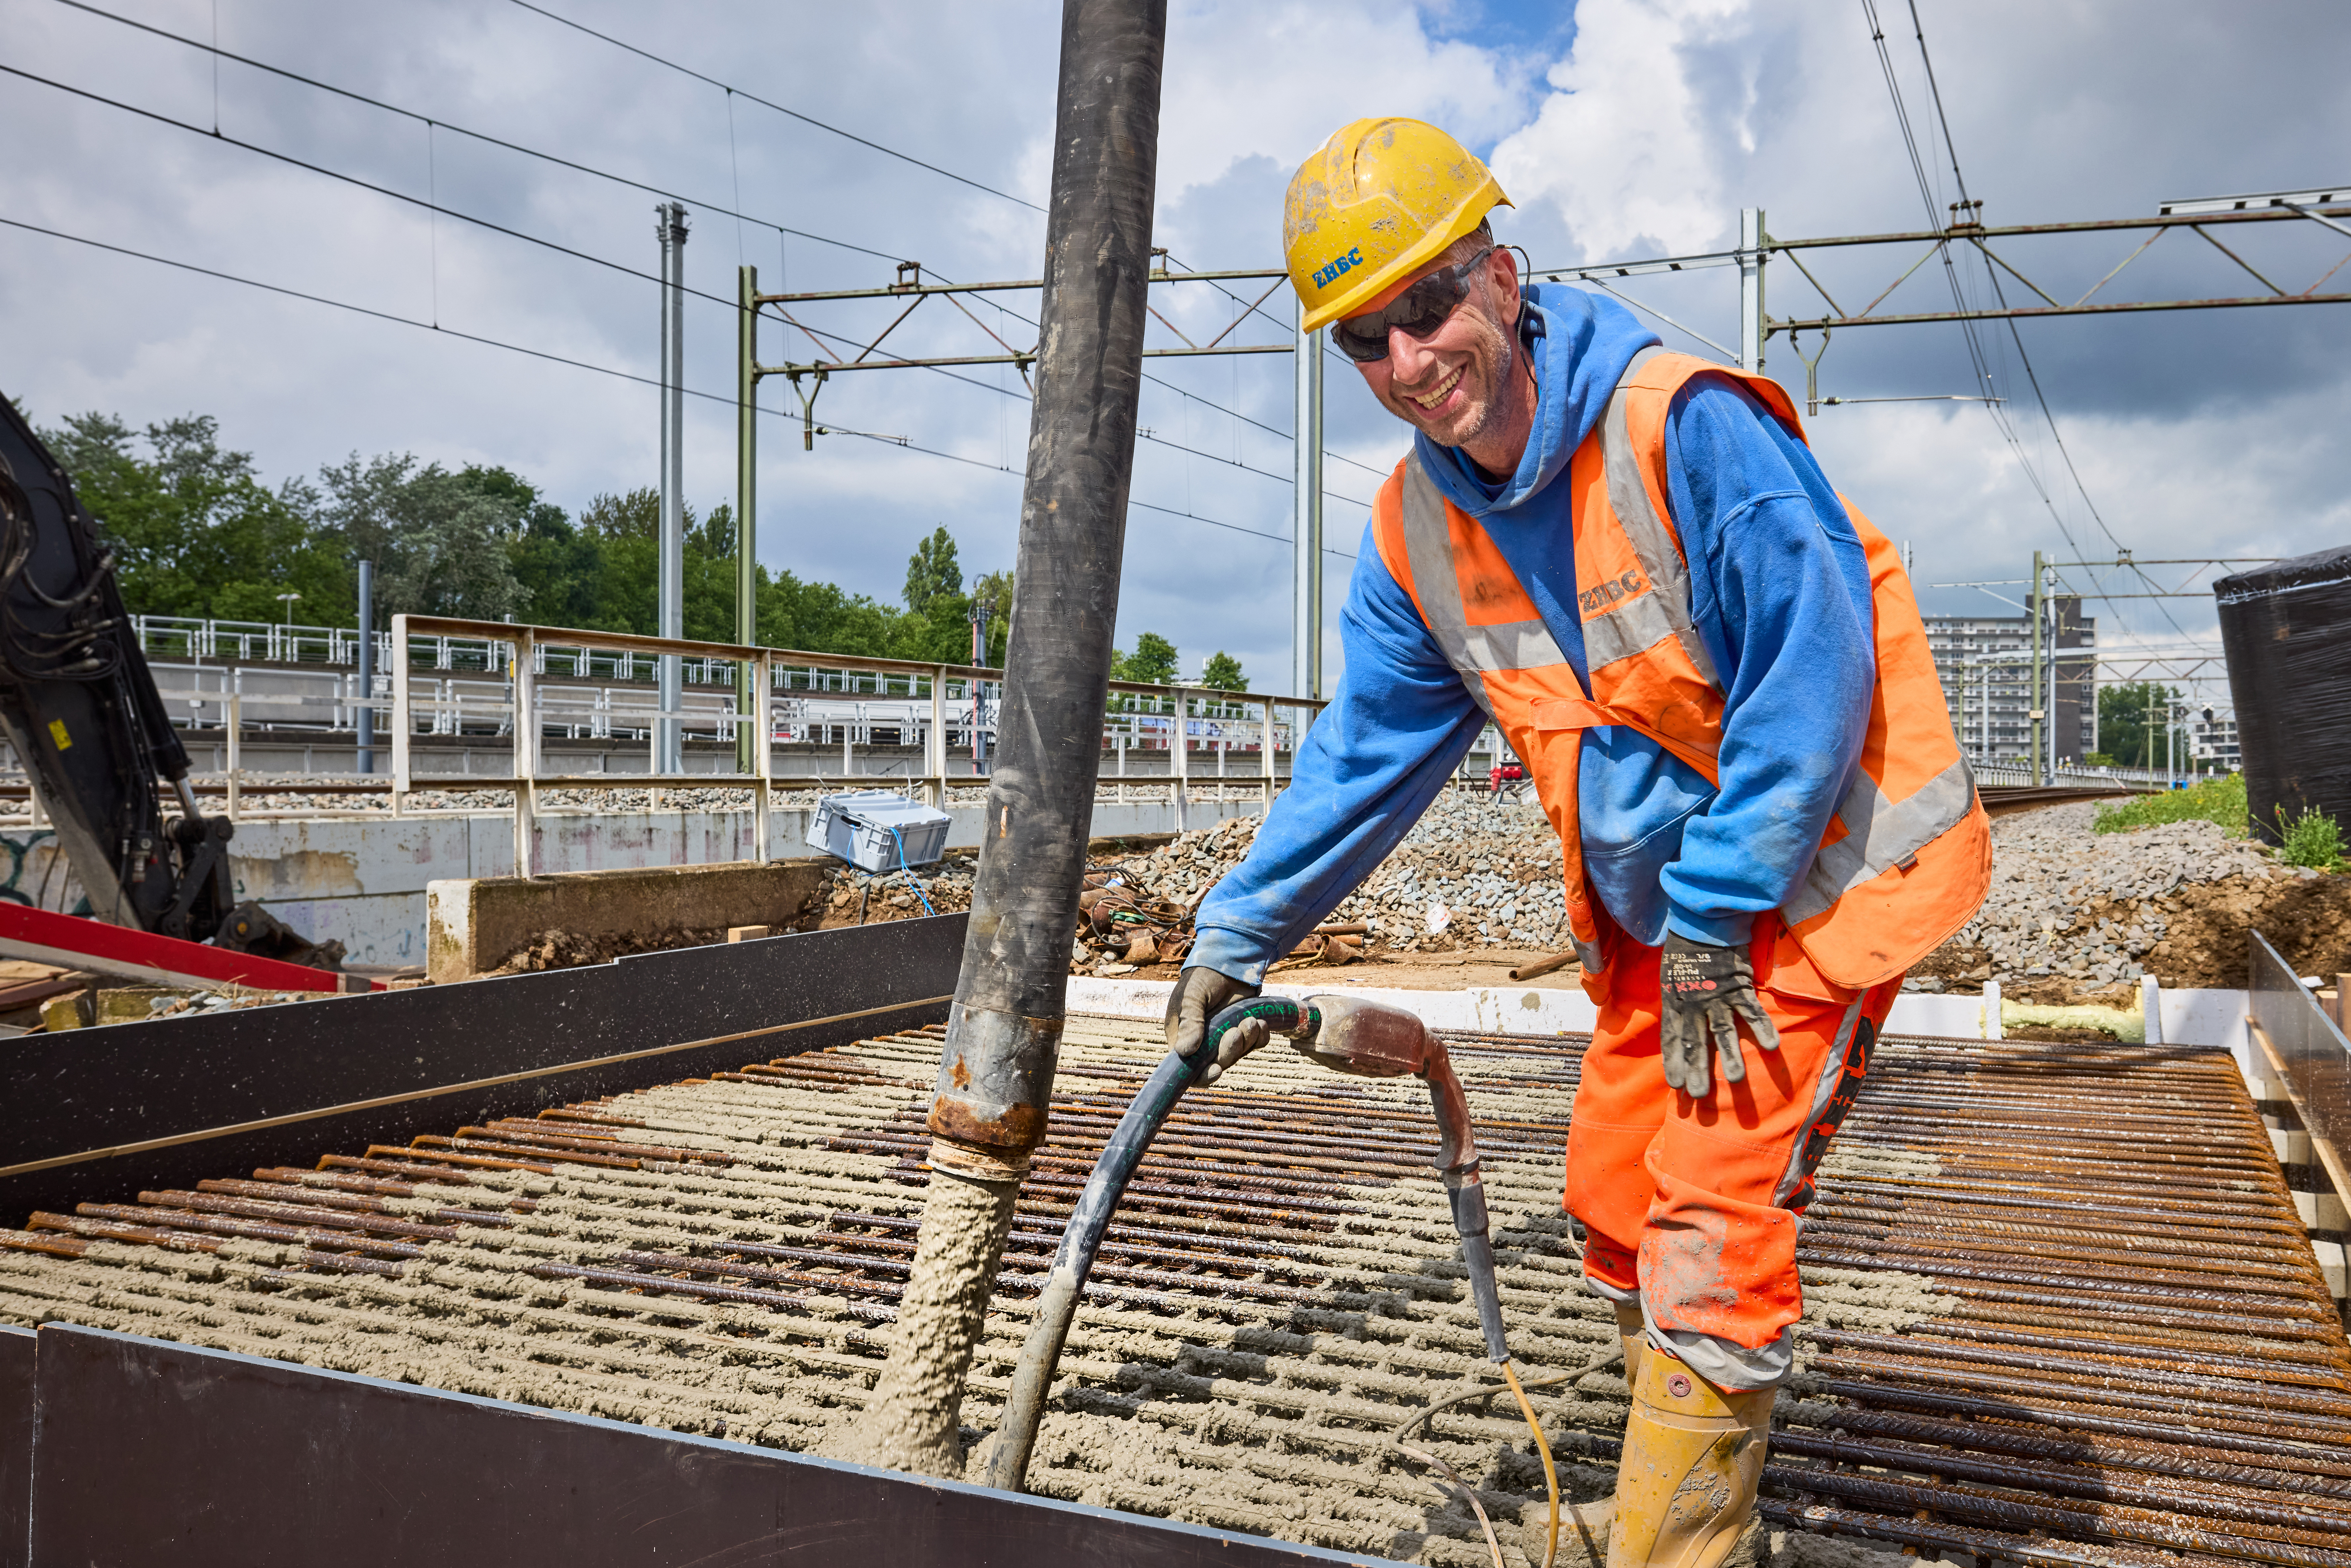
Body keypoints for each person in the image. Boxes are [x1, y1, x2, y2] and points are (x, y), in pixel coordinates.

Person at [1165, 119, 1990, 1568]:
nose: (1410, 361)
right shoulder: (1417, 532)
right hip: (1663, 925)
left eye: (1430, 309)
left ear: (1501, 275)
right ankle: (1670, 1485)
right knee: (1613, 1195)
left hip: (1809, 885)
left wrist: (1719, 908)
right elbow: (1364, 756)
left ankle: (1683, 1553)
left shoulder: (1683, 425)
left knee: (1711, 1212)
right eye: (1367, 340)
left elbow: (1813, 665)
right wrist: (1235, 934)